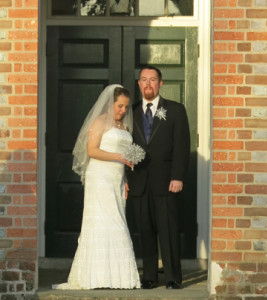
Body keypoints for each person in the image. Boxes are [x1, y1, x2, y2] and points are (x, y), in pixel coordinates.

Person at [52, 84, 141, 290]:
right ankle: (95, 276)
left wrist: (125, 179)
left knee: (117, 220)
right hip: (99, 177)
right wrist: (119, 157)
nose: (123, 111)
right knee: (104, 222)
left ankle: (117, 277)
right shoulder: (99, 122)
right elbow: (92, 150)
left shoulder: (122, 127)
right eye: (120, 106)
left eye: (126, 107)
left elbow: (123, 154)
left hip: (116, 179)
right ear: (111, 103)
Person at [127, 66, 190, 289]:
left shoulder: (175, 110)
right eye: (144, 80)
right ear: (139, 84)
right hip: (139, 182)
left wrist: (178, 176)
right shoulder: (130, 112)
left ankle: (173, 277)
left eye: (152, 80)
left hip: (166, 182)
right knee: (145, 231)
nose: (148, 84)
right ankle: (150, 276)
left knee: (168, 231)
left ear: (160, 83)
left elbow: (182, 146)